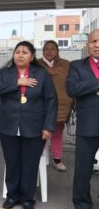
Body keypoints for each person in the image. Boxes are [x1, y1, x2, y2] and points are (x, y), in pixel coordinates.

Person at [0, 41, 57, 209]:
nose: (20, 55)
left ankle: (27, 198)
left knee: (30, 164)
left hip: (34, 127)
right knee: (12, 163)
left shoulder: (42, 74)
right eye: (17, 51)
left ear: (32, 56)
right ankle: (12, 196)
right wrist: (17, 82)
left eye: (25, 52)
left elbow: (51, 101)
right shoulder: (5, 73)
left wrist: (48, 127)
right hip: (8, 126)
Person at [67, 29, 99, 209]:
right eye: (94, 41)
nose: (97, 44)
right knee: (83, 169)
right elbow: (72, 89)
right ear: (88, 45)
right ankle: (83, 206)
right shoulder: (77, 66)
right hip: (88, 126)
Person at [38, 40, 73, 172]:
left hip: (61, 106)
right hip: (40, 106)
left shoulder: (66, 64)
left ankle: (57, 160)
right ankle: (38, 158)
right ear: (43, 51)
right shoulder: (37, 64)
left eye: (53, 49)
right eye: (47, 49)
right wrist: (48, 72)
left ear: (58, 51)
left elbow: (71, 84)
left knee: (57, 133)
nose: (49, 51)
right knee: (39, 134)